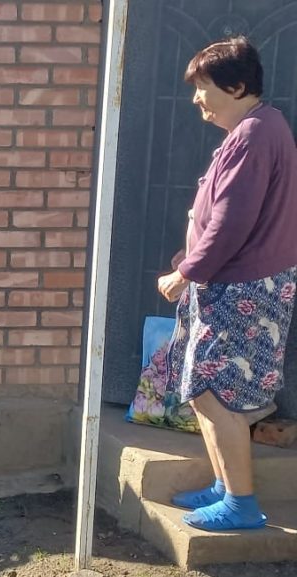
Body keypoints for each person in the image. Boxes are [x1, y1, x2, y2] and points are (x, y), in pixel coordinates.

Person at [158, 37, 297, 531]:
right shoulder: (258, 128)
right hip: (237, 283)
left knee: (218, 394)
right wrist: (192, 257)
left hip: (242, 289)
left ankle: (241, 503)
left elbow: (232, 223)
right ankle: (224, 485)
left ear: (236, 87)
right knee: (205, 390)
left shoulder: (254, 135)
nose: (197, 98)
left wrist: (186, 272)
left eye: (204, 87)